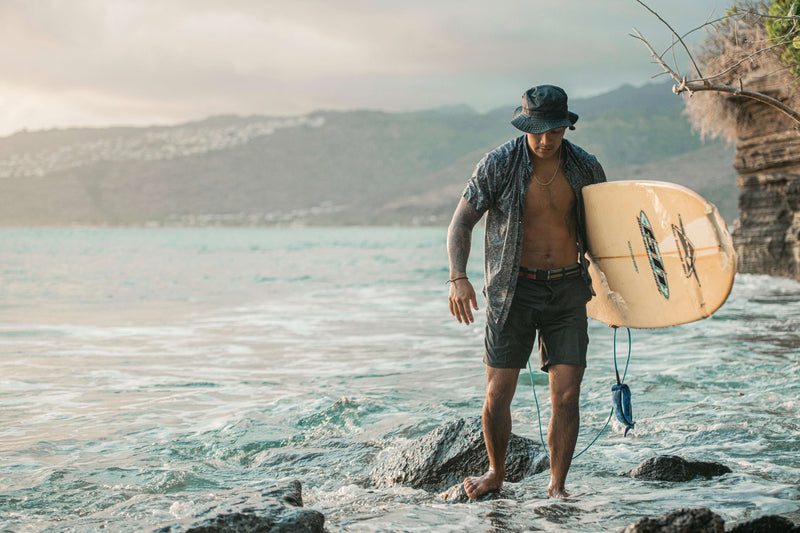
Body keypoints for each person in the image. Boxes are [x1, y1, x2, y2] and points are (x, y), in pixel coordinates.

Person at [446, 85, 606, 499]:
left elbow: (609, 231)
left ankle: (557, 487)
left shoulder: (586, 167)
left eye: (553, 130)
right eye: (536, 131)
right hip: (511, 292)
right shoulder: (499, 164)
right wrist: (457, 277)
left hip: (568, 290)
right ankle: (496, 471)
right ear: (524, 126)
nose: (544, 140)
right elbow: (461, 223)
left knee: (567, 395)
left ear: (566, 126)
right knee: (498, 392)